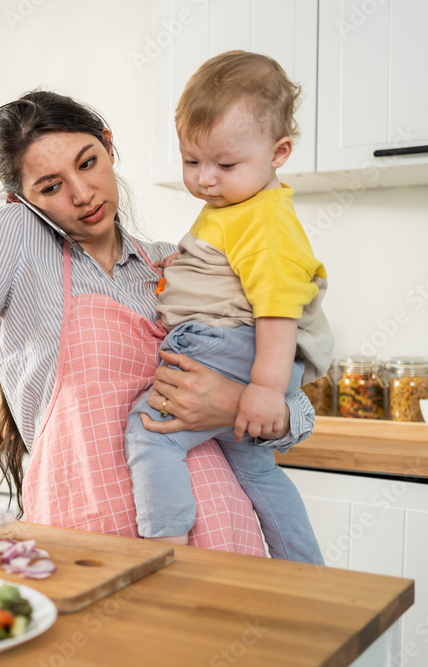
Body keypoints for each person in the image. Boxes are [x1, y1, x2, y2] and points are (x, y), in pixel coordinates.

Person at [0, 89, 317, 554]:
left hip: (224, 533)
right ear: (20, 198)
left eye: (87, 163)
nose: (82, 194)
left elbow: (296, 408)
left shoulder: (173, 265)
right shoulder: (16, 235)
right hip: (91, 539)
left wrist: (240, 405)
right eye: (51, 186)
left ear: (108, 146)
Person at [124, 51, 332, 564]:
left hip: (231, 347)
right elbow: (228, 272)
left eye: (225, 163)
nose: (205, 179)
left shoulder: (265, 222)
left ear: (279, 152)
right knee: (259, 471)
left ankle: (164, 550)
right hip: (234, 347)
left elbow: (278, 314)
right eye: (191, 161)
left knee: (150, 434)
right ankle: (305, 572)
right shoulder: (237, 208)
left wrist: (263, 391)